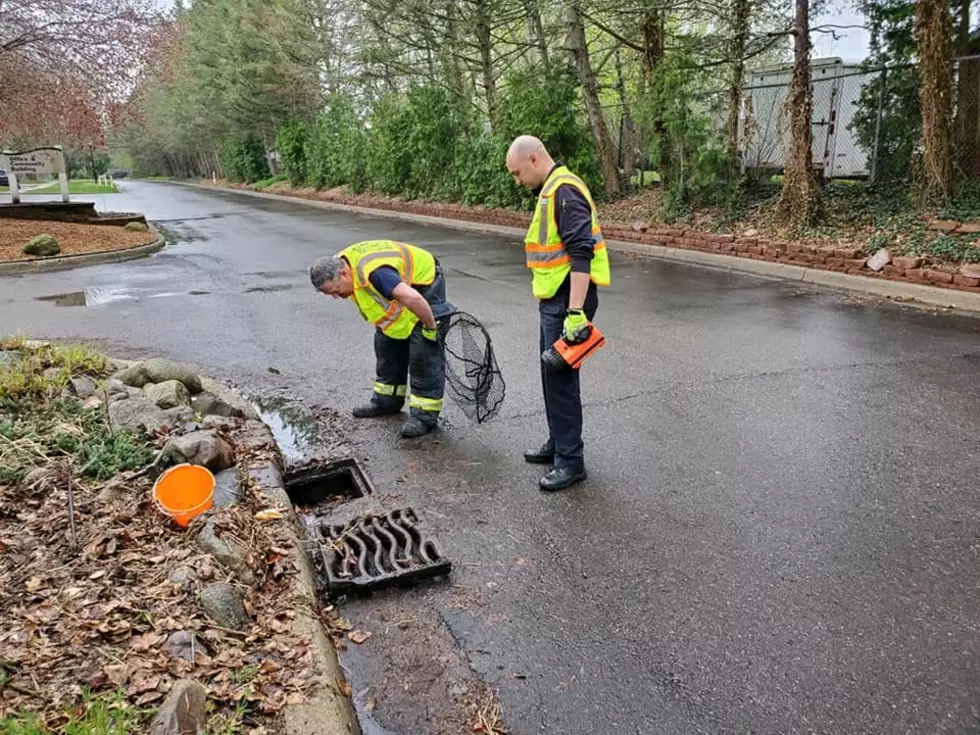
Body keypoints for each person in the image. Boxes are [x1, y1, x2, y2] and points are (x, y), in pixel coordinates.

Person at [505, 135, 611, 491]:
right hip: (556, 299)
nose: (517, 181)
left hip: (569, 301)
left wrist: (576, 312)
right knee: (551, 375)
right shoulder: (551, 190)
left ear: (534, 159)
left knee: (561, 382)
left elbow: (582, 252)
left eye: (518, 173)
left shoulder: (565, 192)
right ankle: (558, 443)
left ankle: (571, 461)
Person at [309, 240, 454, 438]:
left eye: (336, 291)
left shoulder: (376, 273)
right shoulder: (341, 265)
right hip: (402, 288)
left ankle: (424, 417)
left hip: (424, 284)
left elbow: (414, 299)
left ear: (343, 274)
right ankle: (387, 402)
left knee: (423, 353)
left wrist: (431, 327)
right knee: (387, 345)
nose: (336, 296)